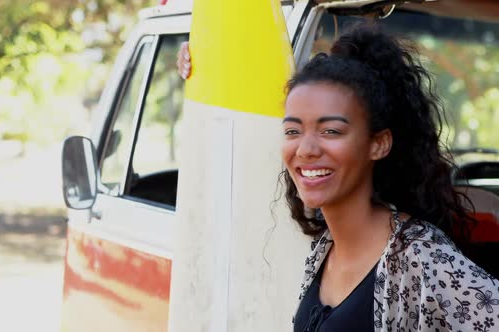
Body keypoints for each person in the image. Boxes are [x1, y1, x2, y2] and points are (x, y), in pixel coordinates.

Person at [177, 23, 498, 331]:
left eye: (331, 130)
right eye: (293, 130)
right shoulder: (324, 245)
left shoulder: (416, 254)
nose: (305, 149)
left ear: (378, 143)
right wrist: (206, 61)